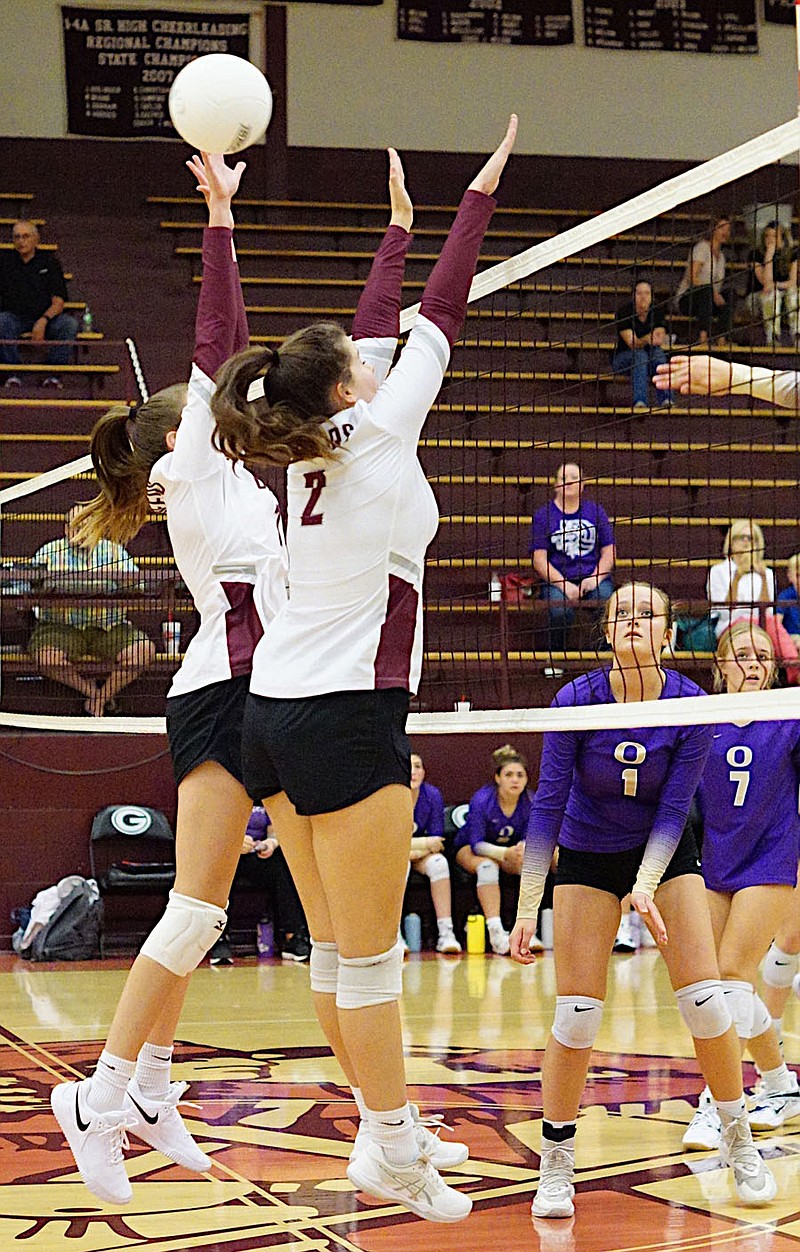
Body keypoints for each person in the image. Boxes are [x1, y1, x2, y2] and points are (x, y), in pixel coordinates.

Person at [210, 119, 517, 1224]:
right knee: (373, 958)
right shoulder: (379, 436)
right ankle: (390, 1141)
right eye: (353, 355)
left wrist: (391, 229)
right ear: (346, 386)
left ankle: (376, 1132)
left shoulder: (297, 451)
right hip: (345, 719)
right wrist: (474, 195)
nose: (365, 351)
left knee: (335, 954)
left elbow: (377, 331)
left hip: (270, 719)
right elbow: (438, 311)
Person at [50, 152, 288, 1207]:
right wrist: (223, 219)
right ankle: (100, 1097)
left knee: (212, 911)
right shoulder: (194, 467)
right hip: (226, 689)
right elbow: (220, 340)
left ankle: (148, 1084)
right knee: (195, 913)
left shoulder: (226, 473)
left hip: (260, 684)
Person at [511, 581, 777, 1219]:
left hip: (661, 851)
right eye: (621, 613)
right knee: (576, 1013)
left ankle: (739, 1137)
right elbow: (547, 804)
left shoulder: (689, 705)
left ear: (667, 634)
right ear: (606, 632)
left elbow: (677, 804)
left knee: (707, 1001)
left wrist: (646, 884)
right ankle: (556, 1160)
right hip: (586, 849)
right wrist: (525, 911)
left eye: (647, 614)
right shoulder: (575, 700)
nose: (633, 621)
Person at [682, 623, 800, 1152]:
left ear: (773, 668)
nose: (751, 662)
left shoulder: (791, 715)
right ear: (720, 665)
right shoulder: (697, 717)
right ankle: (779, 1084)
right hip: (713, 860)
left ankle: (717, 1104)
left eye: (761, 655)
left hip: (771, 857)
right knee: (712, 984)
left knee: (729, 976)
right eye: (740, 655)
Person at [28, 504, 156, 716]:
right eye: (75, 527)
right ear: (66, 529)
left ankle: (100, 698)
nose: (80, 532)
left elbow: (139, 587)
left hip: (109, 627)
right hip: (60, 627)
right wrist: (44, 587)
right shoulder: (49, 553)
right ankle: (96, 695)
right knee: (47, 658)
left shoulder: (115, 552)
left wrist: (119, 579)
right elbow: (26, 588)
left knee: (143, 652)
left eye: (86, 526)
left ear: (97, 527)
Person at [530, 462, 615, 676]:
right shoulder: (543, 516)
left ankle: (606, 657)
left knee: (608, 602)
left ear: (582, 484)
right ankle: (555, 656)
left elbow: (609, 552)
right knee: (559, 610)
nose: (568, 481)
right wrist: (564, 585)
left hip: (592, 576)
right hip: (558, 577)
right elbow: (539, 559)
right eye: (563, 478)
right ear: (556, 485)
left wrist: (594, 578)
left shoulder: (596, 512)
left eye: (573, 477)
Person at [453, 744, 533, 955]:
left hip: (509, 852)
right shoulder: (482, 799)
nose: (515, 780)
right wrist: (504, 854)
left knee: (531, 865)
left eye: (520, 775)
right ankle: (496, 932)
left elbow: (529, 837)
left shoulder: (530, 801)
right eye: (508, 775)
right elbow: (476, 844)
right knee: (487, 867)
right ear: (497, 778)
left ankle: (525, 930)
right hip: (471, 849)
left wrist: (521, 850)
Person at [208, 805, 311, 965]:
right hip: (227, 853)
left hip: (256, 855)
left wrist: (272, 842)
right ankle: (219, 939)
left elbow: (274, 828)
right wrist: (233, 840)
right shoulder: (223, 791)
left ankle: (293, 937)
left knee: (285, 866)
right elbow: (207, 832)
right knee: (220, 870)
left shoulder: (264, 793)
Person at [0, 219, 78, 386]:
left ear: (36, 239)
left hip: (45, 317)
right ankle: (13, 374)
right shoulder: (4, 262)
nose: (21, 241)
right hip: (14, 317)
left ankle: (53, 375)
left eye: (26, 236)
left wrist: (43, 321)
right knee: (2, 322)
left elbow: (59, 300)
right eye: (17, 237)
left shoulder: (50, 262)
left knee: (68, 324)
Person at [408, 751, 461, 954]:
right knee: (399, 865)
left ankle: (446, 933)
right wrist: (423, 843)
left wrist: (411, 849)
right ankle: (394, 935)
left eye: (418, 766)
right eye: (409, 765)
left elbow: (438, 842)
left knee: (439, 863)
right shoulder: (392, 796)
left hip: (418, 856)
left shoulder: (432, 795)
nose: (413, 771)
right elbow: (388, 844)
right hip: (394, 857)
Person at [707, 520, 775, 643]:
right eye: (740, 538)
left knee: (770, 624)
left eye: (751, 538)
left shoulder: (767, 573)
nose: (746, 542)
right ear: (730, 542)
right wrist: (737, 578)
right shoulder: (718, 571)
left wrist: (763, 578)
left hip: (763, 625)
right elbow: (723, 612)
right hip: (730, 626)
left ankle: (790, 660)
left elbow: (768, 612)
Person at [611, 278, 672, 412]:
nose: (643, 297)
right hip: (624, 359)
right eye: (639, 294)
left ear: (651, 296)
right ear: (633, 296)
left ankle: (666, 399)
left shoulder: (657, 311)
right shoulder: (625, 313)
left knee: (658, 355)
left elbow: (659, 339)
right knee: (640, 355)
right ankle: (640, 401)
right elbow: (632, 343)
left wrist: (644, 339)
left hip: (650, 357)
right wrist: (648, 338)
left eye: (647, 293)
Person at [673, 214, 733, 345]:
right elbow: (692, 278)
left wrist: (715, 294)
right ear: (713, 229)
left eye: (728, 229)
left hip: (710, 300)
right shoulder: (702, 248)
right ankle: (703, 337)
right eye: (722, 228)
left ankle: (722, 338)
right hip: (689, 298)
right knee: (706, 290)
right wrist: (712, 292)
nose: (725, 232)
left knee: (730, 294)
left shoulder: (722, 257)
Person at [745, 220, 798, 346]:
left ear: (782, 238)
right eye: (767, 236)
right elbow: (765, 283)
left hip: (783, 298)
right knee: (771, 295)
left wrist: (776, 285)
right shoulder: (755, 254)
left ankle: (797, 335)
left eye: (774, 236)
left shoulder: (791, 254)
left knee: (795, 295)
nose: (770, 239)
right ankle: (773, 338)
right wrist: (769, 255)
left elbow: (792, 283)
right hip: (758, 298)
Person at [776, 552, 800, 648]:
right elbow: (777, 624)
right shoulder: (785, 596)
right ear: (790, 576)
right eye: (798, 575)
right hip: (792, 640)